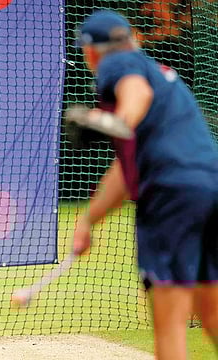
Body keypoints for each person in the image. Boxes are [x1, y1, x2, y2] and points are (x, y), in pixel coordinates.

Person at [72, 9, 218, 359]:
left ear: (90, 51)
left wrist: (119, 120)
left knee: (169, 323)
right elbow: (125, 172)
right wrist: (89, 220)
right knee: (209, 306)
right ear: (132, 36)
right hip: (209, 191)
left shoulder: (118, 64)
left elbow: (135, 95)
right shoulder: (159, 72)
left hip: (169, 197)